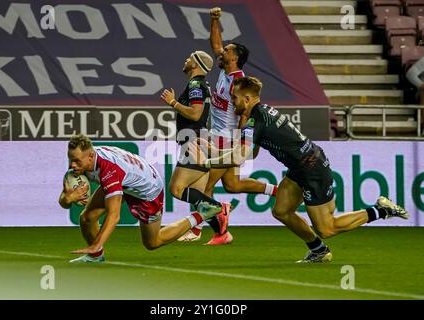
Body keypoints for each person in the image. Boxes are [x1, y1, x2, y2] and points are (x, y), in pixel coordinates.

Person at [193, 76, 409, 263]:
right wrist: (218, 151)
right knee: (281, 211)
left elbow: (240, 156)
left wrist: (209, 160)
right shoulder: (261, 112)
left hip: (311, 169)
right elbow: (251, 152)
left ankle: (380, 210)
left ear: (247, 99)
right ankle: (318, 250)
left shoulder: (255, 120)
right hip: (301, 165)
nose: (233, 102)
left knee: (327, 228)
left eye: (235, 98)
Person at [179, 7, 277, 245]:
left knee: (204, 186)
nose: (221, 52)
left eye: (227, 51)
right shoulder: (225, 71)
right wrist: (214, 20)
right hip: (219, 136)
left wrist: (243, 142)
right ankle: (277, 190)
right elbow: (215, 43)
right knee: (232, 185)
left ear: (234, 58)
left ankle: (203, 229)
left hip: (226, 139)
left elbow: (244, 114)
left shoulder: (238, 83)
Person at [59, 134, 222, 263]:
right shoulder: (81, 164)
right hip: (127, 180)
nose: (72, 165)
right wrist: (68, 199)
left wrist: (96, 244)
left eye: (76, 161)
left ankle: (202, 214)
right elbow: (64, 201)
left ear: (90, 156)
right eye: (71, 160)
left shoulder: (109, 170)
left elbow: (114, 216)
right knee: (87, 218)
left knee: (152, 242)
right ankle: (96, 257)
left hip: (148, 190)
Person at [160, 50, 231, 241]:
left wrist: (173, 102)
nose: (186, 59)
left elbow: (195, 114)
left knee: (177, 189)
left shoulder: (195, 85)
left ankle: (219, 208)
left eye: (189, 57)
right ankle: (222, 233)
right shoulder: (201, 85)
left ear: (196, 64)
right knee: (199, 198)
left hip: (193, 142)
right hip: (199, 141)